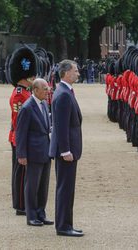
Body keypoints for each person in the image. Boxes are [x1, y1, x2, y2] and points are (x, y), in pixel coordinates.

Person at [49, 59, 84, 237]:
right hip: (66, 151)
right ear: (66, 73)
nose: (78, 73)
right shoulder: (63, 94)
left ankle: (66, 223)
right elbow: (61, 126)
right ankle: (63, 226)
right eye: (75, 71)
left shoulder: (64, 91)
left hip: (69, 149)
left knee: (67, 189)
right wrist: (65, 151)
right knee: (65, 189)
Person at [16, 78, 53, 227]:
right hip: (33, 153)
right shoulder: (27, 107)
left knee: (43, 185)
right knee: (32, 186)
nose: (48, 91)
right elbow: (21, 133)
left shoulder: (44, 104)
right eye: (45, 89)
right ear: (35, 90)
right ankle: (31, 215)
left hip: (45, 150)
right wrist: (21, 155)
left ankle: (40, 213)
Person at [8, 47, 37, 216]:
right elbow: (19, 121)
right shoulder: (20, 94)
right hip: (19, 137)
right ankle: (20, 204)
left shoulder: (25, 92)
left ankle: (21, 202)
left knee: (22, 172)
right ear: (25, 77)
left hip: (21, 136)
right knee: (21, 173)